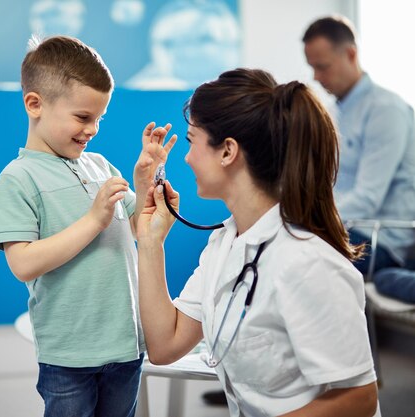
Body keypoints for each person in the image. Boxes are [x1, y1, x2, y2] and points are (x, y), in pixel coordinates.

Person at [137, 68, 379, 416]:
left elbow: (359, 398)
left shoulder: (307, 263)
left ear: (227, 151)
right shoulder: (225, 244)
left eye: (192, 142)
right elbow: (164, 345)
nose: (187, 158)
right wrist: (150, 242)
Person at [0, 35, 175, 417]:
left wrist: (145, 183)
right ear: (34, 104)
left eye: (99, 119)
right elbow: (22, 263)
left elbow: (139, 228)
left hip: (126, 346)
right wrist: (93, 220)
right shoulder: (18, 178)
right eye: (82, 117)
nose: (92, 129)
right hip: (69, 357)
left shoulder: (100, 165)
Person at [303, 16, 415, 275]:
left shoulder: (386, 111)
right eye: (312, 68)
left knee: (300, 263)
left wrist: (312, 220)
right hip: (345, 227)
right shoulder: (333, 113)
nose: (316, 77)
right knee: (278, 248)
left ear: (351, 54)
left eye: (322, 67)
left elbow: (368, 198)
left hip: (380, 241)